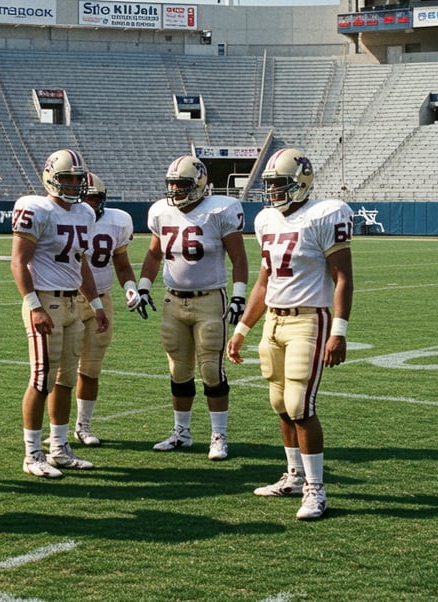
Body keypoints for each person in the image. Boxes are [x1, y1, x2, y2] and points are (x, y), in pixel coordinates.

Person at [226, 147, 353, 521]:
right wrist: (242, 329)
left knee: (301, 406)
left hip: (309, 320)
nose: (273, 192)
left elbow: (342, 278)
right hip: (274, 323)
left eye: (280, 184)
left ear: (300, 182)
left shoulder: (323, 215)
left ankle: (317, 490)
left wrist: (339, 331)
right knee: (280, 403)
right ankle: (295, 476)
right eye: (270, 186)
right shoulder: (266, 220)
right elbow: (264, 281)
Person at [132, 155, 248, 461]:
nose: (174, 191)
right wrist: (144, 287)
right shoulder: (161, 211)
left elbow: (238, 257)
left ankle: (218, 435)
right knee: (178, 369)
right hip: (173, 300)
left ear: (198, 185)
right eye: (171, 185)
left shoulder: (219, 210)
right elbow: (154, 255)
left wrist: (238, 295)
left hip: (209, 298)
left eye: (181, 185)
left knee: (211, 368)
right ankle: (181, 433)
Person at [11, 149, 110, 478]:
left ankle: (58, 448)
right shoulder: (36, 209)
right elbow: (20, 261)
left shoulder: (84, 213)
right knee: (41, 380)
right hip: (46, 302)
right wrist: (34, 305)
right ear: (51, 177)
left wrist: (95, 303)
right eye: (68, 177)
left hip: (71, 304)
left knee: (67, 380)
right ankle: (32, 453)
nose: (74, 184)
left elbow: (79, 261)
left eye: (78, 178)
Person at [73, 172, 138, 446]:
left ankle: (82, 426)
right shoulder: (63, 217)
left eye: (95, 198)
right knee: (61, 371)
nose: (90, 204)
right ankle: (53, 432)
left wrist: (131, 287)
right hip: (68, 299)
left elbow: (121, 263)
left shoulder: (118, 220)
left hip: (103, 297)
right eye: (85, 198)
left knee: (91, 368)